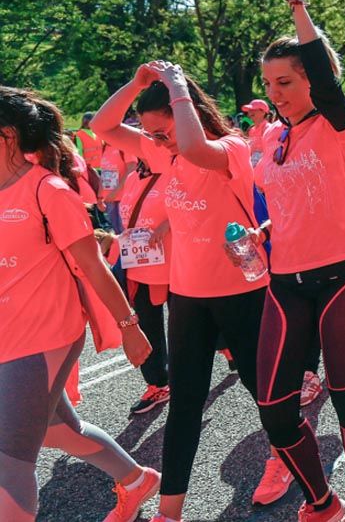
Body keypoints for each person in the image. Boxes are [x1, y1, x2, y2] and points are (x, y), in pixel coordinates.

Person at [227, 0, 345, 522]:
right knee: (273, 408)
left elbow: (322, 69)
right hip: (284, 282)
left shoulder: (340, 125)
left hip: (344, 277)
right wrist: (259, 233)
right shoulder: (272, 136)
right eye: (270, 84)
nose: (278, 92)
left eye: (286, 82)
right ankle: (323, 499)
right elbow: (288, 202)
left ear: (313, 80)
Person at [91, 61, 273, 522]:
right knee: (185, 405)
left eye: (162, 131)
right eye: (150, 135)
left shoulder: (230, 147)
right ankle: (169, 512)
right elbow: (102, 125)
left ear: (186, 110)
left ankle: (287, 459)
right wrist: (135, 84)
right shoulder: (162, 153)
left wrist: (175, 84)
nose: (157, 141)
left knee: (265, 391)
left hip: (241, 293)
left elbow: (192, 143)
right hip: (188, 297)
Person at [0, 87, 158, 522]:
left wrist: (130, 326)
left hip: (43, 335)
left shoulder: (48, 190)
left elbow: (94, 266)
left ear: (7, 135)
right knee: (56, 430)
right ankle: (137, 479)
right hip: (6, 333)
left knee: (8, 457)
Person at [117, 157, 173, 415]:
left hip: (177, 264)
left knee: (190, 328)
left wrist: (168, 223)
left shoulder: (175, 170)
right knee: (148, 326)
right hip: (140, 265)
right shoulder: (132, 178)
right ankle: (158, 383)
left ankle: (224, 348)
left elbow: (198, 207)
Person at [242, 99, 274, 167]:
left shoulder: (268, 128)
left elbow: (270, 152)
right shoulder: (251, 130)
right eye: (249, 110)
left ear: (263, 112)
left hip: (264, 166)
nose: (249, 113)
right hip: (253, 165)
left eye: (253, 110)